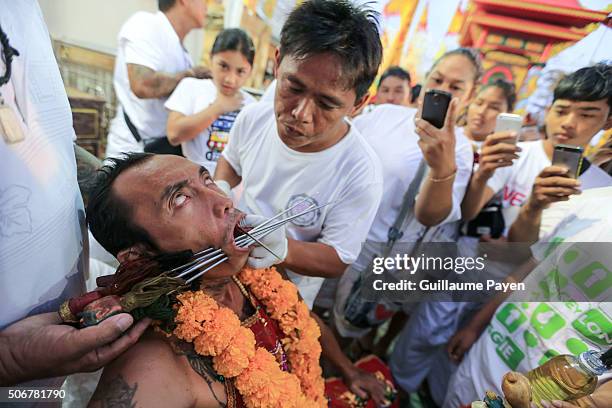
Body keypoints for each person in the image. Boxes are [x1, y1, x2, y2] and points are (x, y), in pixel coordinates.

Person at [86, 153, 389, 407]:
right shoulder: (153, 362)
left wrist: (348, 370)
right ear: (137, 256)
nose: (224, 202)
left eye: (207, 181)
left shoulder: (256, 272)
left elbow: (301, 320)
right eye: (180, 199)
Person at [0, 0, 149, 390]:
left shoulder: (22, 11)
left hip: (49, 359)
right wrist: (9, 360)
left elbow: (43, 146)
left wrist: (113, 188)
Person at [214, 0, 384, 309]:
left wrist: (285, 249)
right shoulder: (254, 118)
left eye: (327, 103)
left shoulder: (360, 172)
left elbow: (337, 258)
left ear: (358, 104)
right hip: (225, 274)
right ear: (277, 63)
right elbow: (231, 162)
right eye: (293, 87)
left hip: (282, 302)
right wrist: (221, 191)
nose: (300, 113)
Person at [332, 47, 482, 343]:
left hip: (371, 264)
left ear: (470, 96)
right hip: (333, 242)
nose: (442, 91)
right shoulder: (383, 116)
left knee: (341, 338)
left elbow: (429, 215)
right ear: (424, 80)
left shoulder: (460, 148)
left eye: (455, 87)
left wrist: (442, 167)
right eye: (437, 80)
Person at [443, 185, 612, 407]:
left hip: (542, 399)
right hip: (480, 364)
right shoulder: (592, 203)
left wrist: (588, 404)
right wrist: (475, 326)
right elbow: (529, 268)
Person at [461, 63, 612, 244]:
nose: (568, 123)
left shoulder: (603, 191)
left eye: (586, 115)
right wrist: (482, 174)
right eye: (561, 111)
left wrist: (534, 208)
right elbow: (466, 213)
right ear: (549, 111)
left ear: (607, 122)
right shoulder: (514, 155)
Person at [105, 0, 210, 158]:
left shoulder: (182, 51)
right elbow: (143, 84)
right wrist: (189, 76)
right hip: (132, 151)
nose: (207, 5)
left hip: (160, 152)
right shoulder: (146, 24)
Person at [166, 28, 257, 175]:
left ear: (250, 71)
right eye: (223, 66)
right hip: (191, 177)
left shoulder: (252, 106)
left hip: (232, 186)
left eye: (240, 71)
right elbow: (174, 134)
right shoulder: (192, 87)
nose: (230, 79)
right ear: (211, 58)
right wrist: (217, 108)